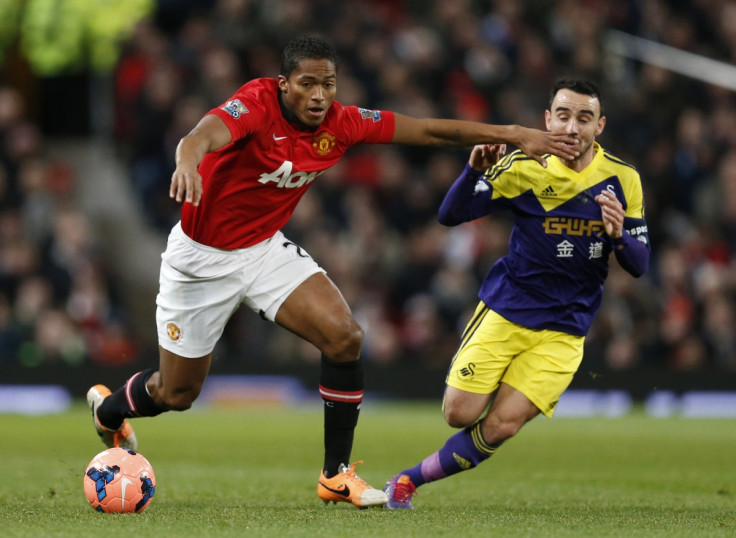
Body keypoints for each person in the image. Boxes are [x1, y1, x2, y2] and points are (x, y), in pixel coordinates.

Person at [85, 35, 579, 509]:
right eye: (307, 84)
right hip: (200, 262)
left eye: (329, 84)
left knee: (345, 338)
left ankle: (335, 475)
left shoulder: (343, 123)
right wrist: (187, 161)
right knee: (176, 393)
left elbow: (430, 130)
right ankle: (110, 411)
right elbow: (201, 135)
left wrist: (515, 134)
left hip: (262, 250)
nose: (319, 96)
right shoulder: (255, 104)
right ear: (283, 83)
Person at [383, 78, 651, 509]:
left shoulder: (624, 179)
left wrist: (619, 236)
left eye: (584, 118)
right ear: (548, 120)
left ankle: (407, 482)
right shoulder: (526, 166)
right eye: (563, 115)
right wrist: (473, 170)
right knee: (460, 413)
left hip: (566, 328)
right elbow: (450, 215)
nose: (572, 126)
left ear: (599, 126)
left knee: (504, 425)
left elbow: (639, 265)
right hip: (508, 309)